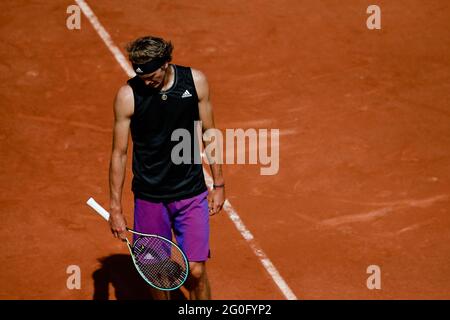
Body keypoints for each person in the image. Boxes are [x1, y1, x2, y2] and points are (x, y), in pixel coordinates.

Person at [108, 36, 225, 300]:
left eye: (151, 76)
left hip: (190, 193)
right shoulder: (128, 96)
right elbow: (119, 154)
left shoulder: (195, 82)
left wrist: (218, 184)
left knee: (195, 271)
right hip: (150, 198)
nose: (147, 82)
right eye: (142, 77)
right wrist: (115, 208)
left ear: (165, 63)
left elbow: (210, 133)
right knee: (157, 274)